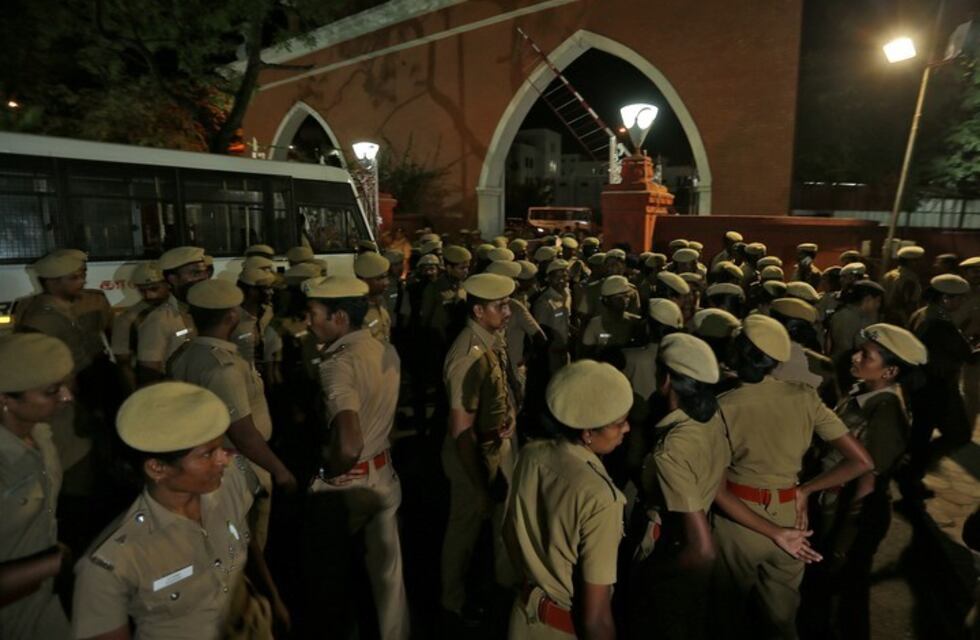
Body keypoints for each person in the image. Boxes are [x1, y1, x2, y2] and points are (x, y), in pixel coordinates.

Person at [72, 382, 287, 640]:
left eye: (221, 447)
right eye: (208, 454)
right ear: (157, 468)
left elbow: (243, 539)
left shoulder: (230, 482)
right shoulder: (110, 563)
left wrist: (271, 596)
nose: (224, 459)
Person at [711, 315, 873, 639]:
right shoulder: (804, 396)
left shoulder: (722, 406)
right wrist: (806, 491)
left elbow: (714, 488)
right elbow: (861, 461)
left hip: (739, 522)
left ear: (738, 355)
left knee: (725, 619)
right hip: (792, 518)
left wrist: (771, 532)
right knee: (782, 621)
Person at [300, 275, 410, 640]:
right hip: (383, 475)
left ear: (340, 317)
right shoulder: (385, 350)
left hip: (349, 485)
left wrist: (327, 475)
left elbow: (348, 445)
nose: (307, 321)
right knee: (388, 583)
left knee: (335, 585)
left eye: (314, 313)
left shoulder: (337, 364)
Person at [805, 324, 926, 640]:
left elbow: (868, 481)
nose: (855, 356)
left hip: (854, 513)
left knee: (844, 597)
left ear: (891, 371)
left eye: (867, 355)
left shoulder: (885, 410)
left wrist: (844, 541)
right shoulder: (864, 390)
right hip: (835, 502)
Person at [504, 360, 632, 640]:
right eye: (619, 423)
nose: (627, 429)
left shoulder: (530, 455)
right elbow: (596, 618)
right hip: (564, 629)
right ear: (587, 433)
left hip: (523, 618)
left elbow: (509, 533)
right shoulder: (602, 499)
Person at [169, 279, 297, 550]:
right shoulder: (222, 368)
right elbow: (243, 433)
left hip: (209, 462)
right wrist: (280, 470)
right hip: (236, 467)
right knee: (242, 549)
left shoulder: (186, 354)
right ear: (231, 315)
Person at [630, 333, 729, 640]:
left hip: (674, 550)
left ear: (666, 379)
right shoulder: (710, 419)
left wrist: (655, 575)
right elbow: (719, 490)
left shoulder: (673, 448)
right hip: (694, 548)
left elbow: (702, 550)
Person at [441, 273, 519, 625]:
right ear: (477, 310)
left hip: (494, 444)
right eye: (500, 306)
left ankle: (504, 589)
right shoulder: (468, 355)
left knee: (503, 523)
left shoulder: (490, 339)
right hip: (473, 453)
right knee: (465, 531)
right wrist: (478, 484)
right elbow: (461, 432)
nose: (508, 312)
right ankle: (452, 601)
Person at [0, 334, 74, 640]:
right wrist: (58, 561)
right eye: (51, 391)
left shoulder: (41, 436)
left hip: (43, 602)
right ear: (6, 399)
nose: (67, 396)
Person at [901, 274, 976, 501]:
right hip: (937, 385)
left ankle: (911, 470)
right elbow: (966, 354)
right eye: (959, 299)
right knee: (959, 433)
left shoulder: (922, 313)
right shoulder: (940, 322)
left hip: (921, 384)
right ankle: (912, 471)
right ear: (945, 298)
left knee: (921, 432)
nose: (962, 303)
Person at [137, 246, 208, 383]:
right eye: (194, 274)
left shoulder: (211, 309)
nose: (203, 279)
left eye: (204, 273)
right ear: (173, 279)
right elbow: (149, 373)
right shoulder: (159, 319)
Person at [110, 262, 170, 389]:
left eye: (154, 289)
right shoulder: (127, 319)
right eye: (142, 290)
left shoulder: (182, 309)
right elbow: (123, 364)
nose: (149, 295)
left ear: (167, 284)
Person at [580, 276, 642, 358]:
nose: (625, 300)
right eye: (619, 298)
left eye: (626, 296)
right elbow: (586, 354)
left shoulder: (635, 322)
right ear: (606, 301)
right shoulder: (595, 325)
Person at [354, 251, 394, 343]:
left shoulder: (380, 302)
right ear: (364, 281)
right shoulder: (357, 311)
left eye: (386, 277)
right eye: (380, 278)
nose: (386, 282)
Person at [881, 246, 924, 327]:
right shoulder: (910, 279)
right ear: (911, 262)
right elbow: (910, 304)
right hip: (902, 320)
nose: (920, 263)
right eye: (918, 260)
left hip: (886, 317)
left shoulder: (889, 275)